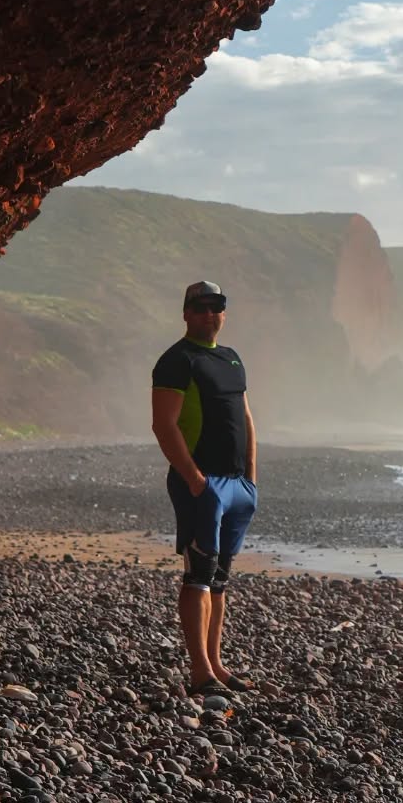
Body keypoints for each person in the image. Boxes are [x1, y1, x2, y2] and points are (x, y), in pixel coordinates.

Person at [151, 279, 258, 696]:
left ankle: (217, 665)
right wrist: (196, 480)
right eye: (200, 307)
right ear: (186, 313)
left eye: (216, 306)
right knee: (198, 573)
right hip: (202, 484)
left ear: (223, 313)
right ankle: (200, 672)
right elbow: (164, 425)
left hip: (237, 485)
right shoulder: (177, 360)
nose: (209, 314)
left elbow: (246, 418)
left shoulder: (232, 358)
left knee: (219, 578)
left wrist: (251, 478)